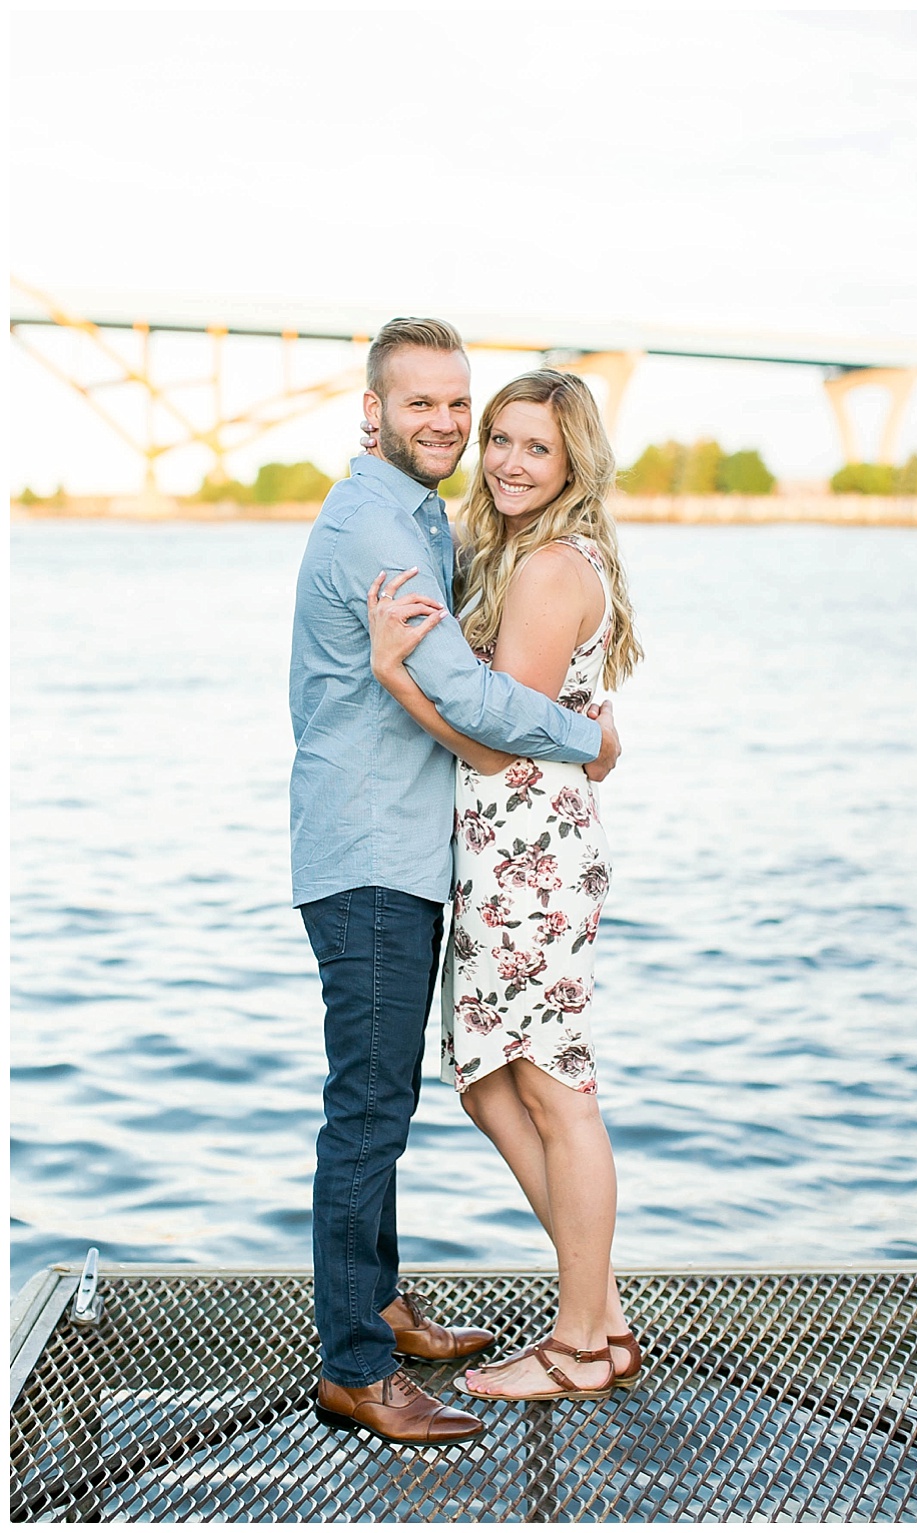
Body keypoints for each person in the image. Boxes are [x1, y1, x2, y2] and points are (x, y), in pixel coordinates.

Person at [290, 319, 621, 1445]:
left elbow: (476, 694)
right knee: (371, 1109)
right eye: (421, 406)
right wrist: (587, 738)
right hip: (376, 851)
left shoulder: (421, 517)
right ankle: (355, 1364)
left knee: (405, 1096)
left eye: (455, 406)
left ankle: (378, 1307)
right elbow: (474, 706)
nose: (444, 427)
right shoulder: (377, 528)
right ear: (371, 412)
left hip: (421, 850)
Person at [365, 368, 644, 1402]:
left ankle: (577, 1347)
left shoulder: (547, 569)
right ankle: (600, 1312)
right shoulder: (522, 556)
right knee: (487, 1078)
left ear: (572, 460)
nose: (509, 462)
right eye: (500, 441)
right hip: (506, 850)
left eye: (535, 446)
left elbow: (493, 743)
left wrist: (398, 680)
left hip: (531, 851)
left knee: (552, 1084)